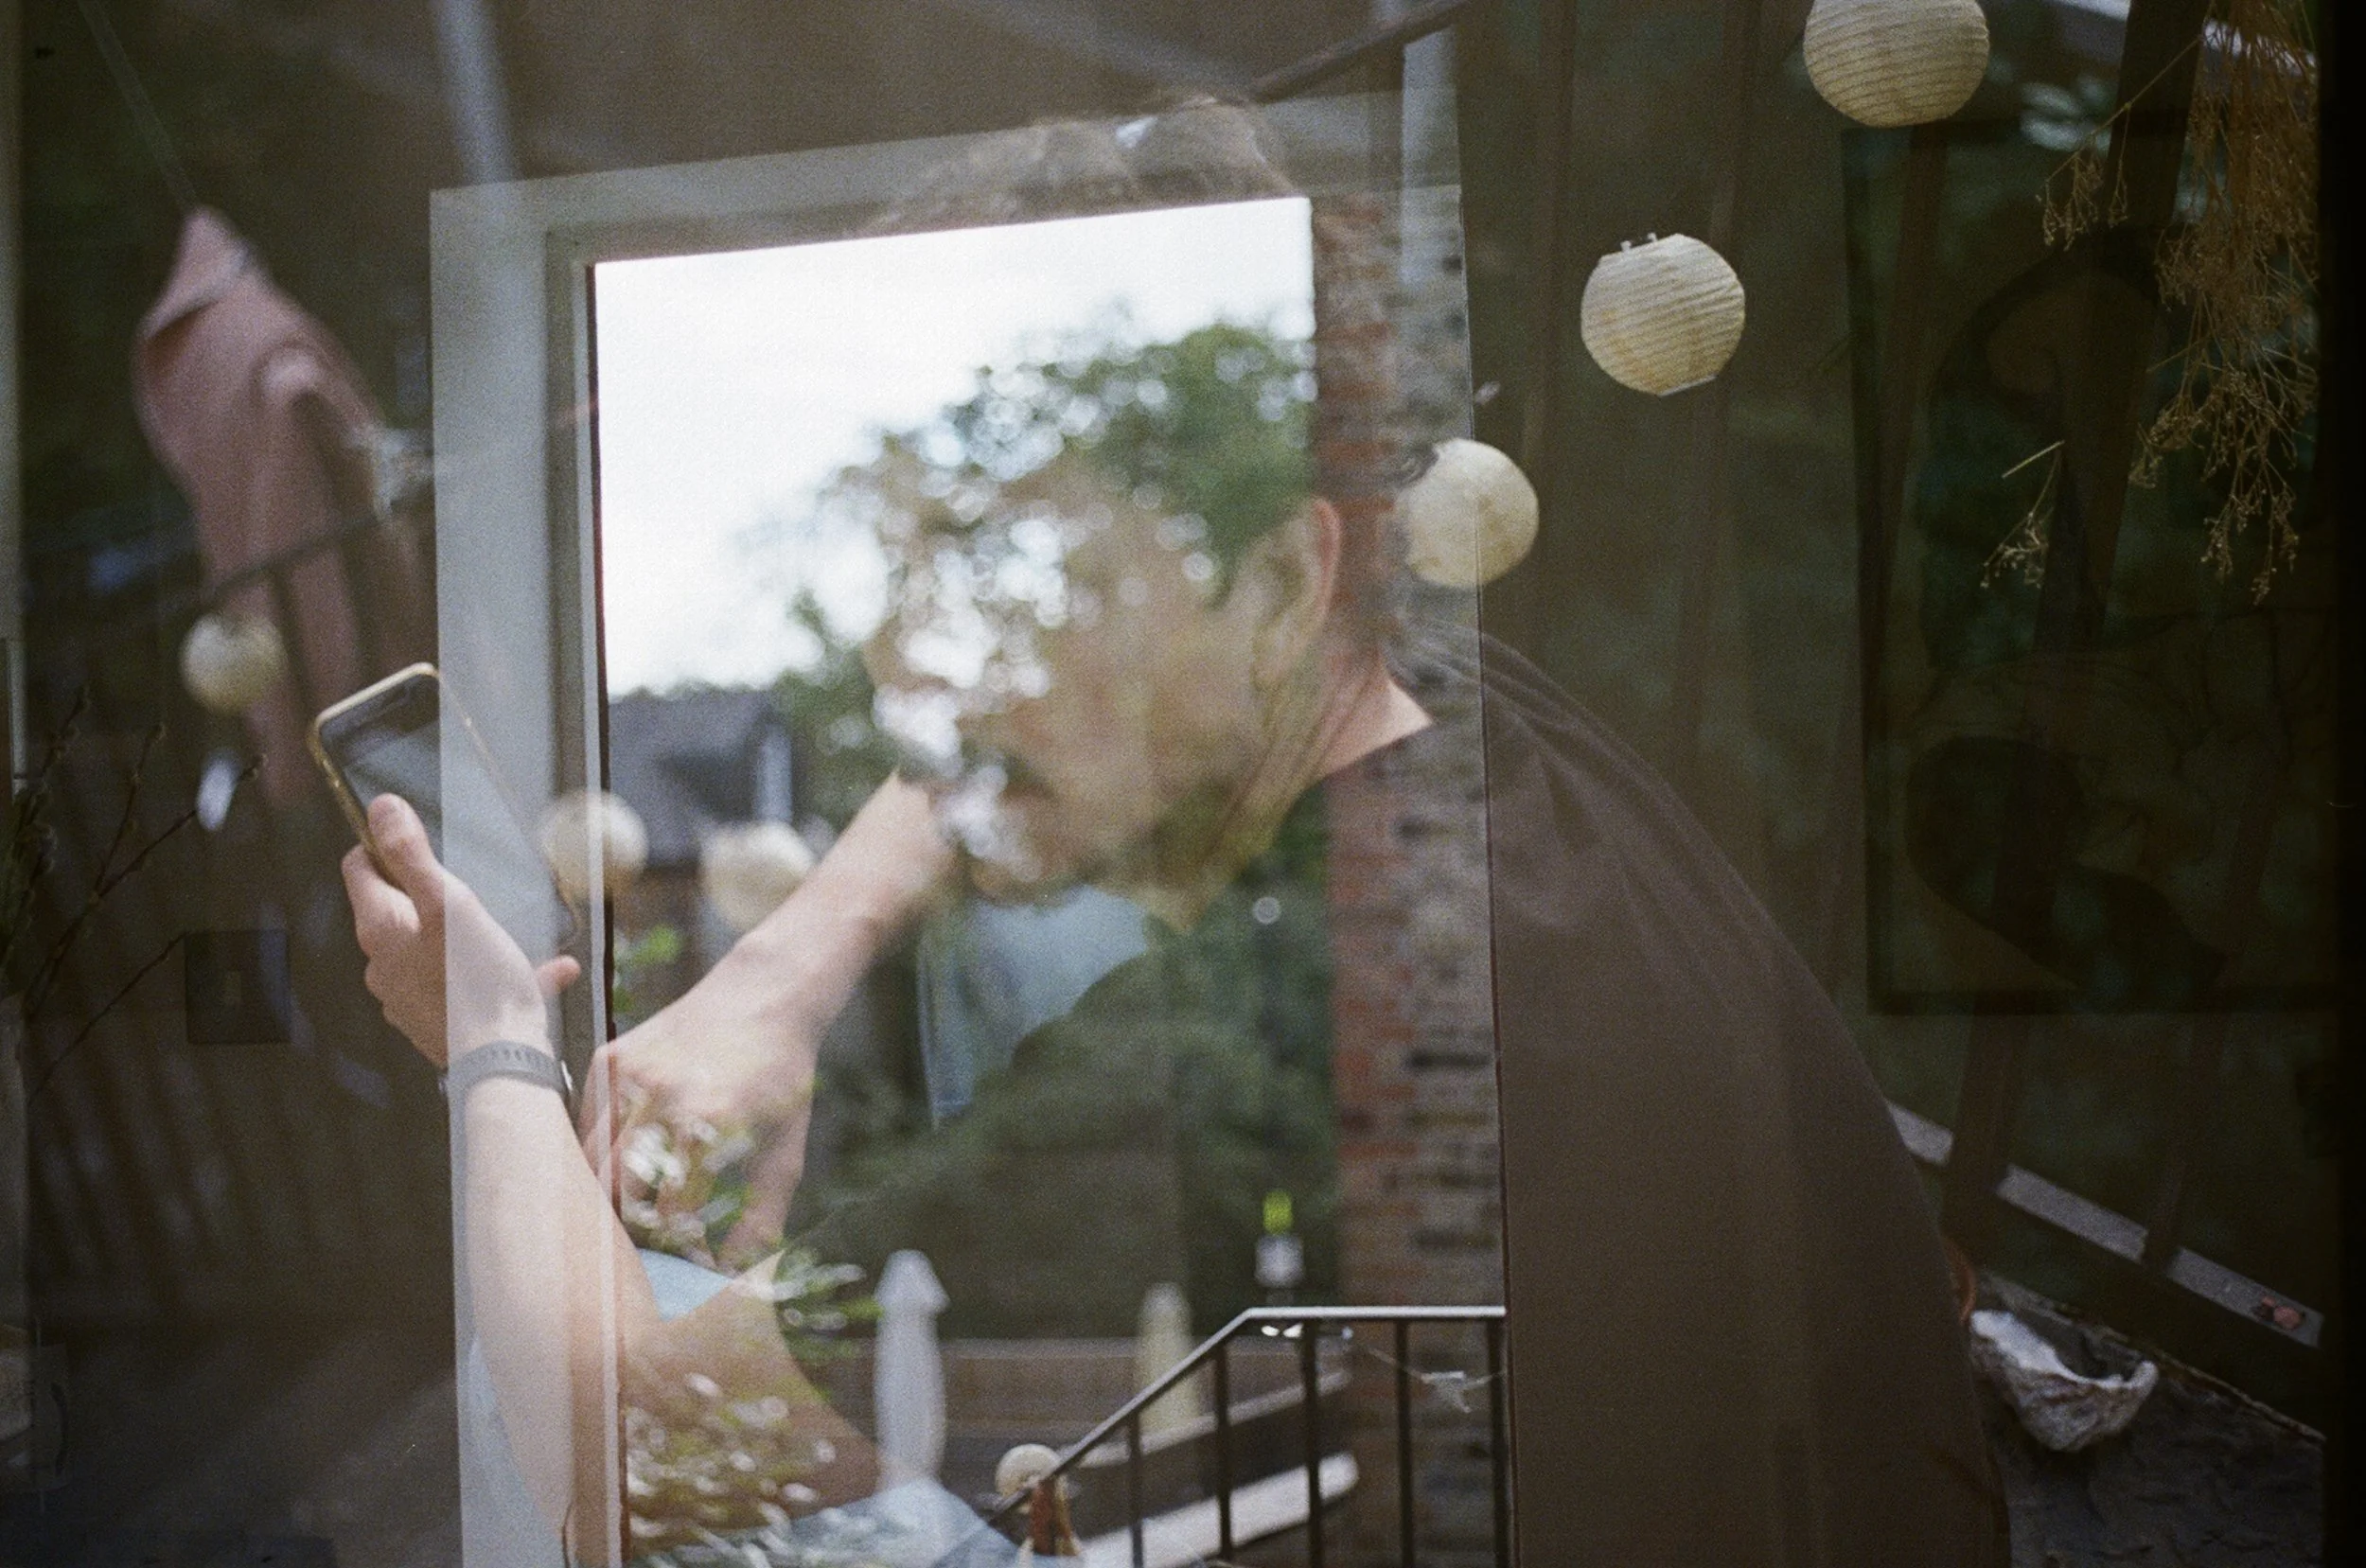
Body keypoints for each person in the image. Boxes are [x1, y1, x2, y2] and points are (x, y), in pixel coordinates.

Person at [345, 100, 2004, 1566]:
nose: (899, 655)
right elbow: (1014, 744)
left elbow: (631, 1455)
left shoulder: (1249, 1049)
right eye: (905, 563)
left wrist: (491, 1043)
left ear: (1284, 575)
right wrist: (789, 967)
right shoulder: (1447, 713)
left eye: (1000, 572)